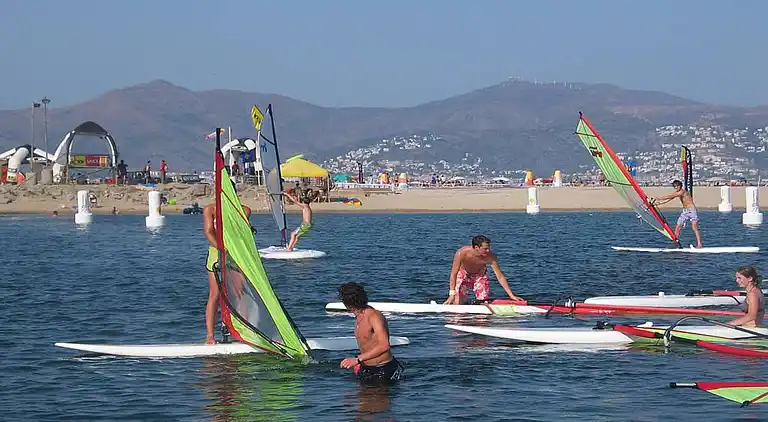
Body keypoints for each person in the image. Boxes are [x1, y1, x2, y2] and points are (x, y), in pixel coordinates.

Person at [202, 188, 252, 345]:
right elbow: (209, 232)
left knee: (240, 293)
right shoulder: (209, 210)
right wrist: (221, 249)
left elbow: (240, 230)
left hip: (236, 256)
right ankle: (210, 336)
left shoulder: (244, 210)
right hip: (216, 254)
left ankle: (242, 331)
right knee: (215, 295)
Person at [338, 282, 403, 384]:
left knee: (372, 399)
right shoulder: (359, 315)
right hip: (365, 367)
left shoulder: (374, 316)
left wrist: (357, 359)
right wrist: (360, 363)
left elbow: (384, 345)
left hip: (383, 370)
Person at [444, 235, 524, 305]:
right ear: (476, 247)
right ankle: (463, 300)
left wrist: (511, 295)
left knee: (482, 300)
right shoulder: (462, 253)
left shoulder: (491, 256)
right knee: (457, 302)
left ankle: (478, 311)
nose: (488, 251)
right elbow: (453, 274)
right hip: (464, 274)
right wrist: (452, 294)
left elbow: (499, 276)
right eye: (485, 249)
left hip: (480, 275)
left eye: (488, 248)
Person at [650, 180, 702, 248]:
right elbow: (670, 198)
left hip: (691, 210)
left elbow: (669, 196)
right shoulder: (677, 192)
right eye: (675, 186)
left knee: (694, 227)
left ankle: (699, 244)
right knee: (678, 227)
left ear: (680, 186)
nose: (676, 187)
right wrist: (658, 203)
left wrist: (658, 198)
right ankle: (676, 244)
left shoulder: (682, 192)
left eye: (678, 186)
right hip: (685, 211)